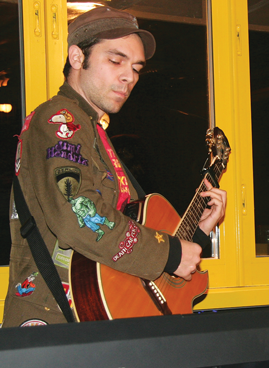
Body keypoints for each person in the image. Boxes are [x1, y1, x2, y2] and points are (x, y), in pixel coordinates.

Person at [3, 6, 226, 327]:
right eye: (115, 60)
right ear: (78, 57)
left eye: (136, 67)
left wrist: (198, 233)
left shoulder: (93, 133)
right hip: (55, 322)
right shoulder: (59, 121)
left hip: (91, 317)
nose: (129, 76)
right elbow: (79, 215)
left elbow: (122, 235)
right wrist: (170, 255)